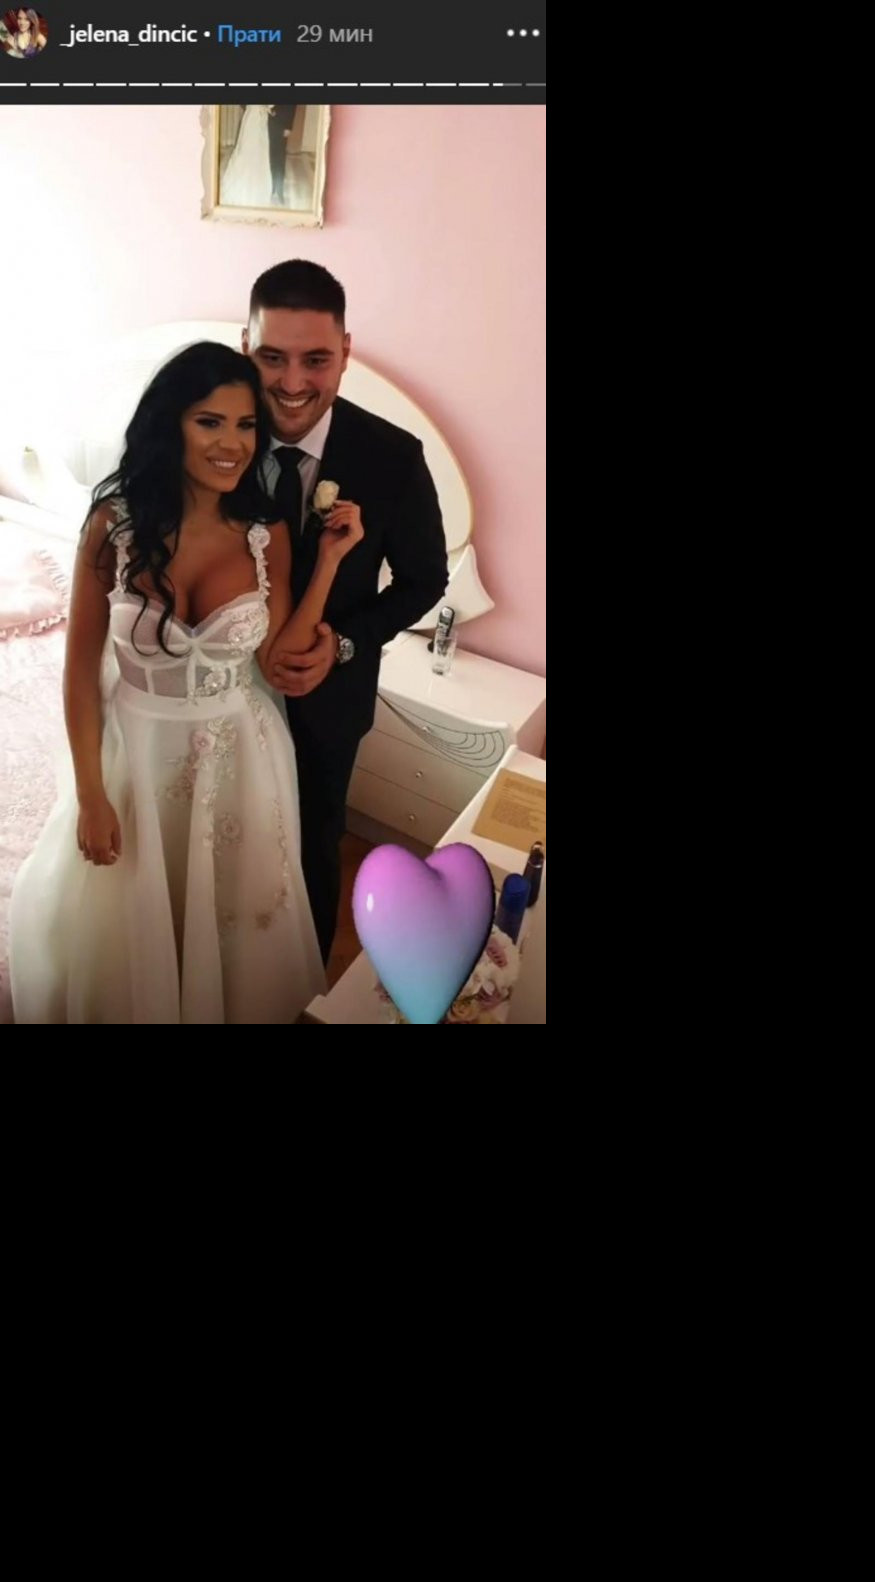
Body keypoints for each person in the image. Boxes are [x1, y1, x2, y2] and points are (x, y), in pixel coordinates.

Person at [9, 342, 365, 1024]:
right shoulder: (111, 526)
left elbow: (278, 662)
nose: (233, 444)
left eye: (246, 425)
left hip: (241, 759)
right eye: (210, 422)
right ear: (169, 423)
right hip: (136, 758)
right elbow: (80, 673)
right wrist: (90, 795)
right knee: (138, 930)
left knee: (232, 933)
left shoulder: (265, 532)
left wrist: (328, 563)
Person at [244, 260, 449, 960]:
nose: (292, 382)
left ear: (346, 352)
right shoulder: (213, 434)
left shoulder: (393, 457)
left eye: (316, 359)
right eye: (272, 357)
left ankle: (300, 980)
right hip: (220, 694)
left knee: (313, 846)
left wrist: (346, 644)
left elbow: (424, 581)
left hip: (327, 704)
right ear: (246, 347)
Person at [220, 104, 272, 207]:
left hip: (260, 119)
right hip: (253, 118)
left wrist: (266, 108)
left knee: (259, 152)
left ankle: (258, 188)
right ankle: (245, 188)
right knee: (249, 149)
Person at [269, 104, 297, 205]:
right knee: (269, 156)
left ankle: (279, 189)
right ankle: (270, 186)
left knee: (280, 158)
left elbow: (292, 106)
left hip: (282, 123)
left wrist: (288, 126)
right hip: (267, 122)